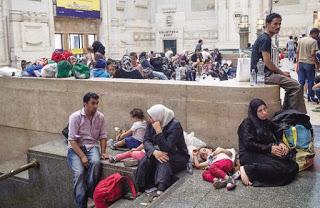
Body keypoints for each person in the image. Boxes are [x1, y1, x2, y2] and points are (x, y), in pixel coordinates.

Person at [251, 13, 306, 114]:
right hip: (263, 75)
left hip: (263, 73)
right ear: (267, 24)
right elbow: (267, 62)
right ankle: (290, 113)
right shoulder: (265, 39)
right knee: (296, 86)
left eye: (279, 24)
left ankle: (288, 111)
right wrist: (282, 73)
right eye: (275, 24)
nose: (278, 26)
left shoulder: (265, 37)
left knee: (292, 84)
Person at [237, 98, 299, 187]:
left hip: (264, 152)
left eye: (265, 109)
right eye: (260, 110)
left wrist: (280, 143)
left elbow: (277, 132)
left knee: (293, 166)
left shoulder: (266, 122)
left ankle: (250, 171)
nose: (264, 112)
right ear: (254, 112)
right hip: (249, 154)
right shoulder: (247, 124)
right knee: (277, 168)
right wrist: (270, 148)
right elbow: (249, 144)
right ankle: (246, 170)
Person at [135, 104, 189, 196]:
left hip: (178, 156)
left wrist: (159, 132)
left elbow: (167, 148)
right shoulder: (151, 123)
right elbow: (146, 141)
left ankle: (161, 188)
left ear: (160, 117)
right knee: (148, 157)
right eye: (150, 117)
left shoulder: (175, 126)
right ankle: (141, 187)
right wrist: (154, 151)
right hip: (159, 151)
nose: (150, 119)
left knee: (164, 158)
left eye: (152, 117)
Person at [67, 92, 109, 208]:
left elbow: (103, 135)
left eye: (97, 103)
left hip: (91, 146)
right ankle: (81, 205)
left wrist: (104, 152)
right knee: (79, 173)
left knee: (96, 163)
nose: (95, 106)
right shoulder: (75, 117)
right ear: (85, 104)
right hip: (75, 148)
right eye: (92, 103)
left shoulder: (100, 117)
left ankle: (90, 196)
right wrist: (82, 156)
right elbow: (72, 140)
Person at [296, 28, 320, 103]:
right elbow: (313, 54)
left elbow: (297, 52)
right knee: (310, 81)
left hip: (301, 62)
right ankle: (310, 97)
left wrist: (297, 63)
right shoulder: (314, 41)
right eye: (317, 34)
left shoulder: (301, 40)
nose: (317, 36)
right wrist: (317, 63)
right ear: (315, 33)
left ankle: (298, 96)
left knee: (301, 81)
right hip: (309, 63)